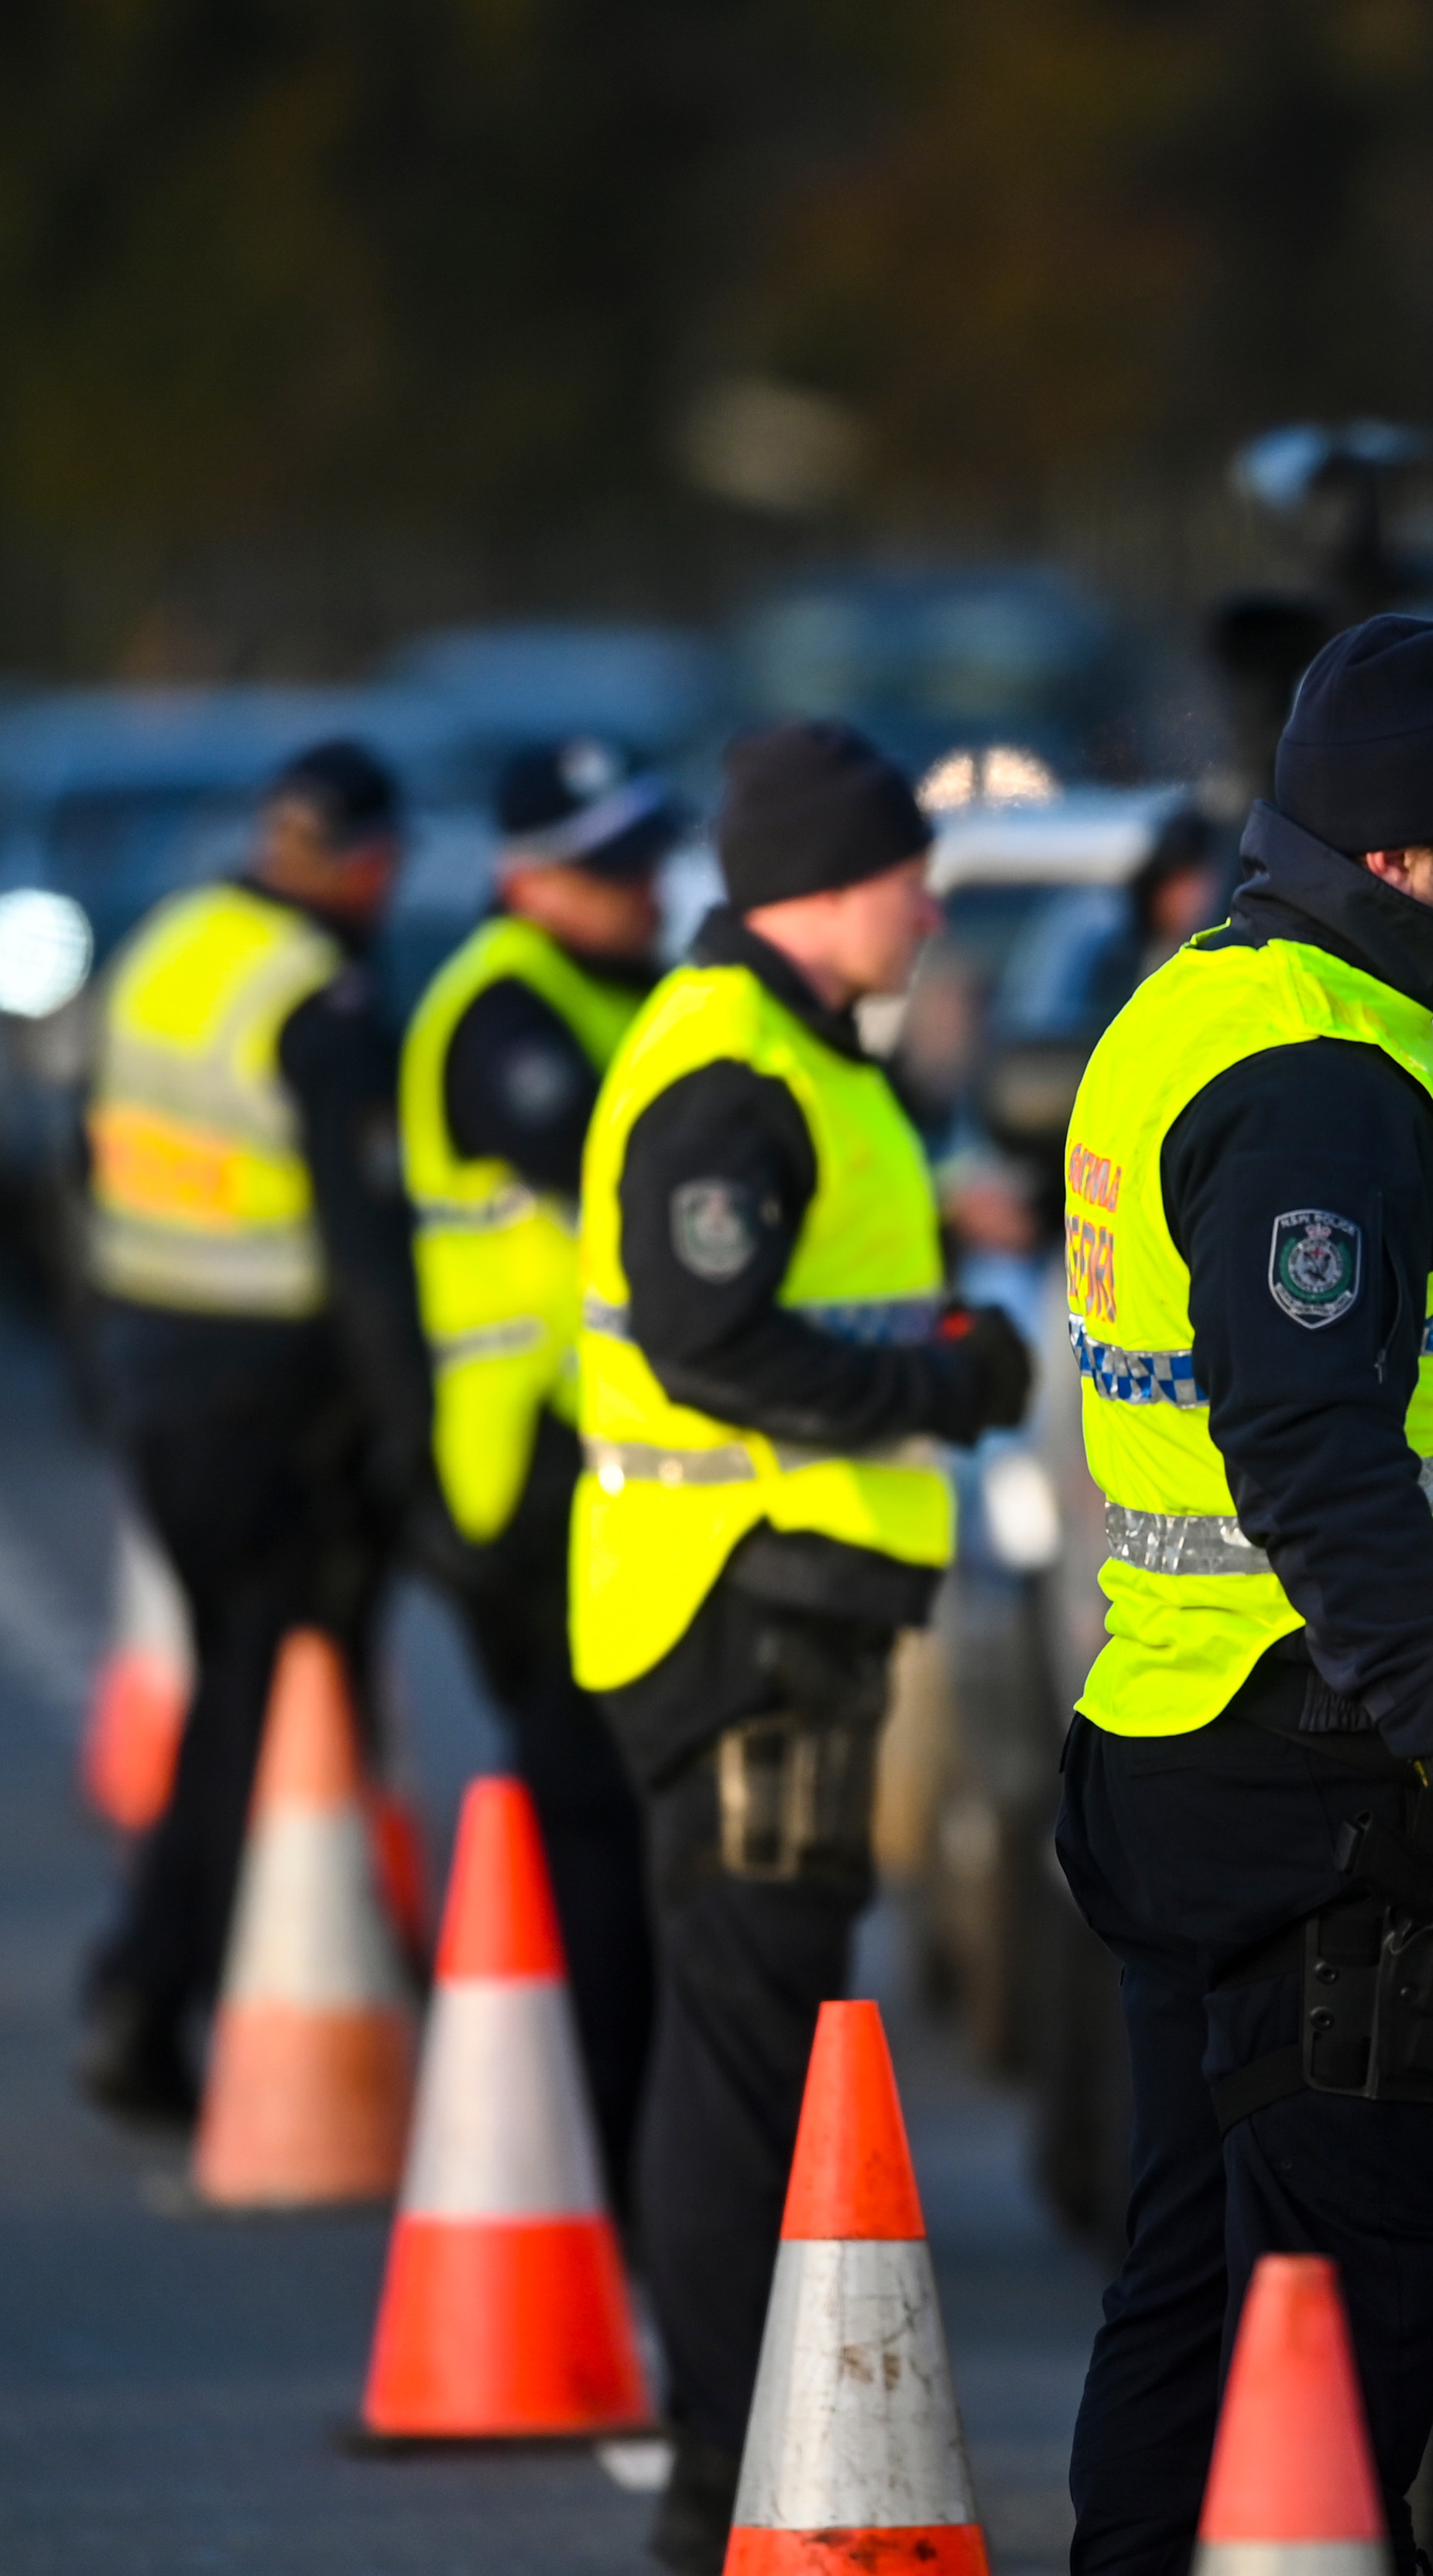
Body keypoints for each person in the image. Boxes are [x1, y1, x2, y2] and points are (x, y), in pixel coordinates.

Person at [1054, 616, 1433, 2576]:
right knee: (1334, 2345)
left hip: (1202, 1746)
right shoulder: (1320, 1078)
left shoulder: (1213, 1009)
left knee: (1200, 2307)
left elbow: (1336, 1414)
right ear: (1393, 854)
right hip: (1326, 1797)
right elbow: (1307, 1452)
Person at [567, 719, 1031, 2571]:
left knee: (746, 2031)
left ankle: (732, 2454)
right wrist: (939, 1375)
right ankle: (717, 2473)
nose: (929, 900)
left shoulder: (789, 1053)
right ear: (821, 887)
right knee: (748, 2049)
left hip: (766, 1601)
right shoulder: (731, 1069)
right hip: (744, 1606)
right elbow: (712, 1340)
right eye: (908, 869)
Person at [76, 738, 430, 2121]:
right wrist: (413, 1431)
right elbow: (363, 1254)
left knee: (247, 1694)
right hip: (277, 1402)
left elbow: (80, 1160)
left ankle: (204, 1982)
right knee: (264, 1711)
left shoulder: (171, 948)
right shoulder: (320, 1002)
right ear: (366, 862)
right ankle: (159, 1992)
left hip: (158, 1370)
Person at [399, 737, 672, 2195]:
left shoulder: (621, 989)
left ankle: (614, 2149)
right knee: (587, 1830)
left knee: (622, 1829)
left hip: (616, 1466)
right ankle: (594, 2158)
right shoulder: (501, 1009)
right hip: (537, 1474)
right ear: (523, 880)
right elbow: (625, 1181)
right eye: (604, 863)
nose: (640, 882)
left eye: (642, 850)